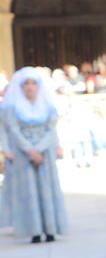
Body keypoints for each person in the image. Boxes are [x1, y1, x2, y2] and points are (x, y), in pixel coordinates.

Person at [2, 67, 68, 243]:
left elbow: (51, 129)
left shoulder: (46, 106)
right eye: (26, 84)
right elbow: (12, 130)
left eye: (33, 83)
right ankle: (34, 230)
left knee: (47, 189)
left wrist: (41, 148)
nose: (30, 87)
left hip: (44, 153)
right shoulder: (12, 107)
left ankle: (51, 228)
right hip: (24, 154)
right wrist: (29, 150)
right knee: (29, 191)